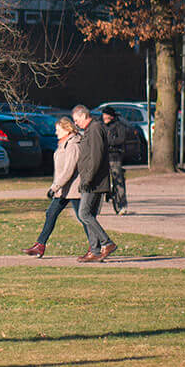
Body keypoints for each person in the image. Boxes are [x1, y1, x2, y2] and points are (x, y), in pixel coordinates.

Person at [23, 117, 82, 258]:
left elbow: (69, 170)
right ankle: (40, 245)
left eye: (58, 130)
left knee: (84, 218)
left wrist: (54, 187)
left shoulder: (73, 144)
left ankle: (100, 244)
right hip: (63, 190)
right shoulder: (63, 143)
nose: (56, 133)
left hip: (72, 189)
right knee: (51, 213)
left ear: (67, 129)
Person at [71, 104, 117, 262]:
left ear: (84, 116)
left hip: (94, 181)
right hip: (90, 180)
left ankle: (107, 243)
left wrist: (88, 179)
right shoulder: (91, 129)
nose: (76, 123)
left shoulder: (95, 128)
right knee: (88, 214)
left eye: (76, 120)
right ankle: (95, 251)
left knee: (83, 213)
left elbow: (96, 157)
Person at [101, 108, 134, 214]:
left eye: (106, 116)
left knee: (118, 180)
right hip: (103, 156)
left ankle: (122, 205)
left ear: (111, 116)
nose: (104, 118)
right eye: (104, 116)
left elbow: (121, 139)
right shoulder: (101, 126)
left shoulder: (119, 126)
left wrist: (109, 142)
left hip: (115, 156)